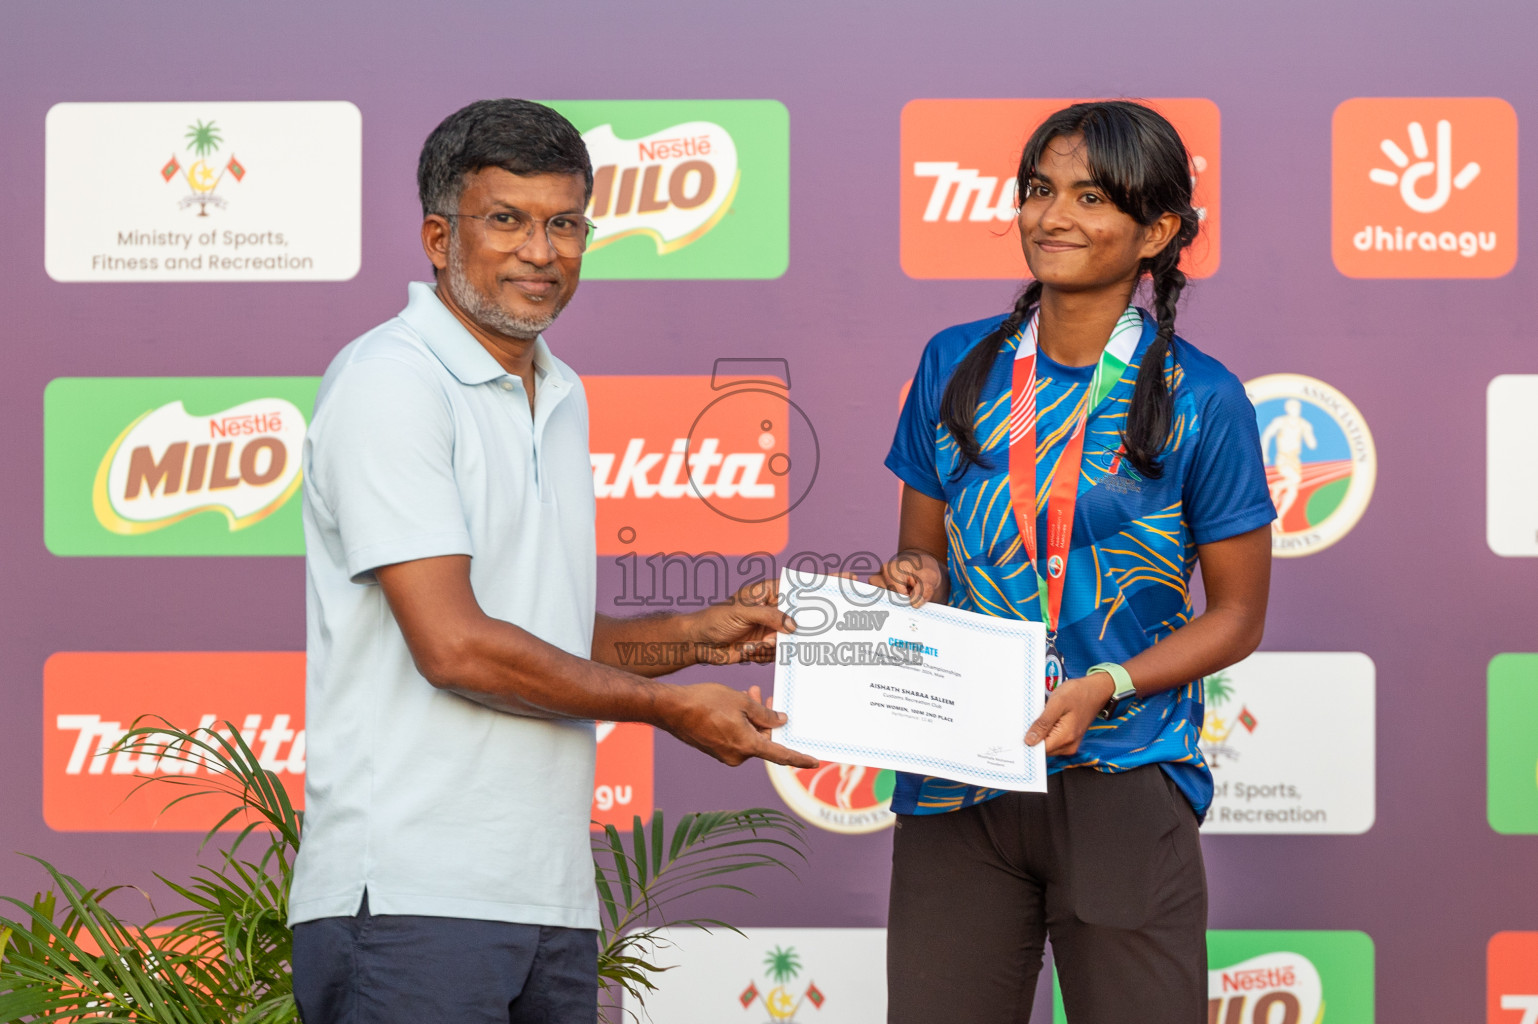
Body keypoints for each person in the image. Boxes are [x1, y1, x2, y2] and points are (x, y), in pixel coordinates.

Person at [287, 98, 816, 1024]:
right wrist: (667, 710)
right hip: (412, 901)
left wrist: (691, 637)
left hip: (547, 903)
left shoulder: (557, 390)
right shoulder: (391, 382)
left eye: (564, 223)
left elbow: (543, 637)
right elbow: (456, 647)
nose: (542, 250)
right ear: (436, 236)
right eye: (508, 220)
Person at [875, 101, 1275, 1023]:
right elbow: (920, 553)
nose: (1052, 216)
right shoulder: (956, 363)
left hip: (1122, 774)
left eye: (1090, 197)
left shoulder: (1201, 398)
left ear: (1158, 230)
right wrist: (914, 579)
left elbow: (1237, 617)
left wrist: (1106, 682)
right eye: (1039, 191)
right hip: (959, 775)